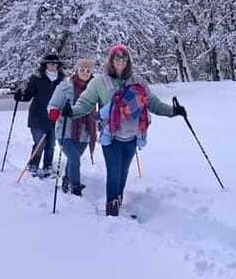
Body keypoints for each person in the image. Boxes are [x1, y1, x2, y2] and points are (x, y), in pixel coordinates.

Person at [63, 44, 187, 217]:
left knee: (123, 172)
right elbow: (85, 103)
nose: (120, 61)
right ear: (111, 60)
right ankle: (112, 210)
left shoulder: (138, 81)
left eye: (124, 57)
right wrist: (72, 111)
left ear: (128, 61)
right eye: (116, 57)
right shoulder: (99, 82)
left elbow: (153, 103)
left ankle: (117, 203)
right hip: (111, 136)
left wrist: (173, 111)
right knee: (114, 173)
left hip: (133, 135)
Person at [47, 58, 98, 196]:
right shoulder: (65, 86)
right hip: (65, 131)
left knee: (73, 159)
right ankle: (75, 186)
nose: (85, 73)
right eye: (82, 70)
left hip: (85, 132)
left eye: (88, 71)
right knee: (75, 159)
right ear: (77, 70)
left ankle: (66, 179)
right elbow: (53, 104)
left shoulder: (95, 89)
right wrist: (55, 112)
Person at [14, 53, 66, 177]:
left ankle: (48, 166)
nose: (52, 66)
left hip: (54, 117)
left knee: (51, 144)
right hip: (38, 116)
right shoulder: (36, 78)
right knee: (39, 143)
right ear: (45, 65)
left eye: (55, 64)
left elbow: (66, 97)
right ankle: (33, 165)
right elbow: (28, 95)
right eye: (50, 64)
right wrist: (20, 96)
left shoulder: (63, 80)